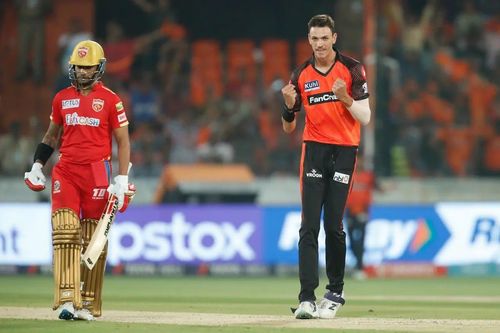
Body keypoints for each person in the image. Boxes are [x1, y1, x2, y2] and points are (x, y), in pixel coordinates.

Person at [23, 40, 135, 321]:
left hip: (98, 173)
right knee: (64, 231)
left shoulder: (111, 100)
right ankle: (66, 301)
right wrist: (38, 164)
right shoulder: (61, 98)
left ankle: (86, 303)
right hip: (67, 172)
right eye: (79, 67)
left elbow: (123, 141)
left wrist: (121, 179)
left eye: (88, 67)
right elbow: (51, 136)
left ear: (99, 68)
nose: (83, 72)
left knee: (92, 239)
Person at [281, 14, 371, 319]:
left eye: (324, 38)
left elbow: (366, 117)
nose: (319, 44)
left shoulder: (352, 69)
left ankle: (334, 293)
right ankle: (307, 298)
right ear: (309, 40)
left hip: (345, 151)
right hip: (314, 151)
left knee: (334, 225)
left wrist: (345, 97)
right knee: (309, 226)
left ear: (334, 38)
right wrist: (288, 107)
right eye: (314, 39)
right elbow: (288, 128)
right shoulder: (300, 75)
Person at [345, 155, 379, 280]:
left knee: (361, 240)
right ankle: (358, 264)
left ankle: (360, 267)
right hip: (349, 211)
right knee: (352, 241)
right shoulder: (348, 175)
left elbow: (377, 187)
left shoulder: (368, 176)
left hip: (362, 212)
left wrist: (388, 188)